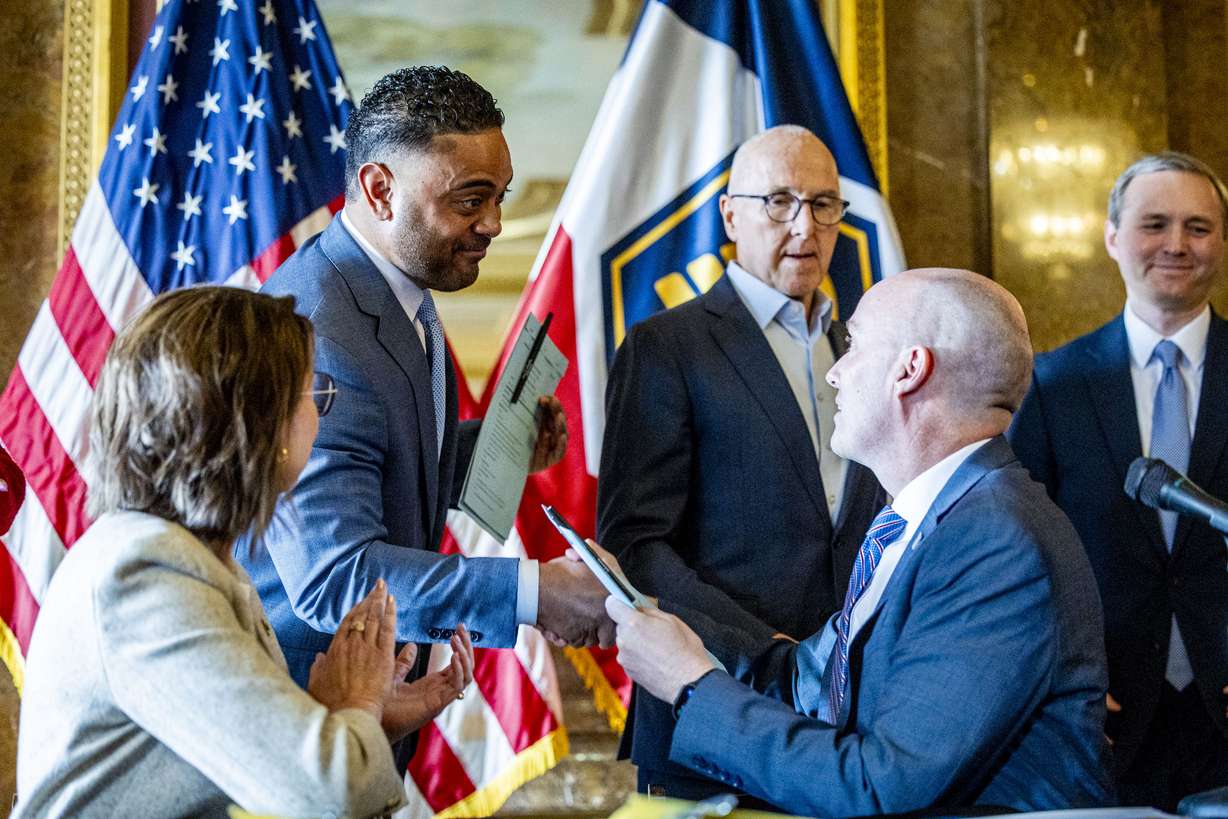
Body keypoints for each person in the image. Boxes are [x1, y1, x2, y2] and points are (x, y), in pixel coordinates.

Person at [600, 268, 1114, 815]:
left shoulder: (995, 542)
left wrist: (692, 687)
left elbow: (879, 786)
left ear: (910, 370)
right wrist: (654, 616)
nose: (836, 374)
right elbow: (807, 680)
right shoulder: (927, 519)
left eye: (854, 345)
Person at [14, 287, 474, 818]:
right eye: (313, 393)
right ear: (260, 425)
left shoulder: (194, 556)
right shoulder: (145, 575)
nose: (320, 415)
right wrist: (358, 708)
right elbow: (331, 792)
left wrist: (347, 722)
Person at [239, 66, 611, 696]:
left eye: (500, 195)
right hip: (302, 719)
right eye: (470, 199)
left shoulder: (399, 279)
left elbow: (379, 456)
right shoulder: (320, 336)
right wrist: (533, 591)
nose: (494, 222)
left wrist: (491, 448)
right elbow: (337, 577)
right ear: (380, 189)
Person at [597, 124, 884, 801]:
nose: (804, 225)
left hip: (850, 722)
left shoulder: (862, 346)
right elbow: (635, 545)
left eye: (823, 204)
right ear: (730, 216)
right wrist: (768, 652)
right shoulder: (666, 346)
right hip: (711, 706)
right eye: (779, 201)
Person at [1009, 151, 1228, 810]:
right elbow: (1020, 546)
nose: (1176, 244)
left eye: (1199, 227)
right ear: (1111, 237)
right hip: (1101, 713)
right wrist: (1058, 671)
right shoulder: (1054, 382)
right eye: (1154, 223)